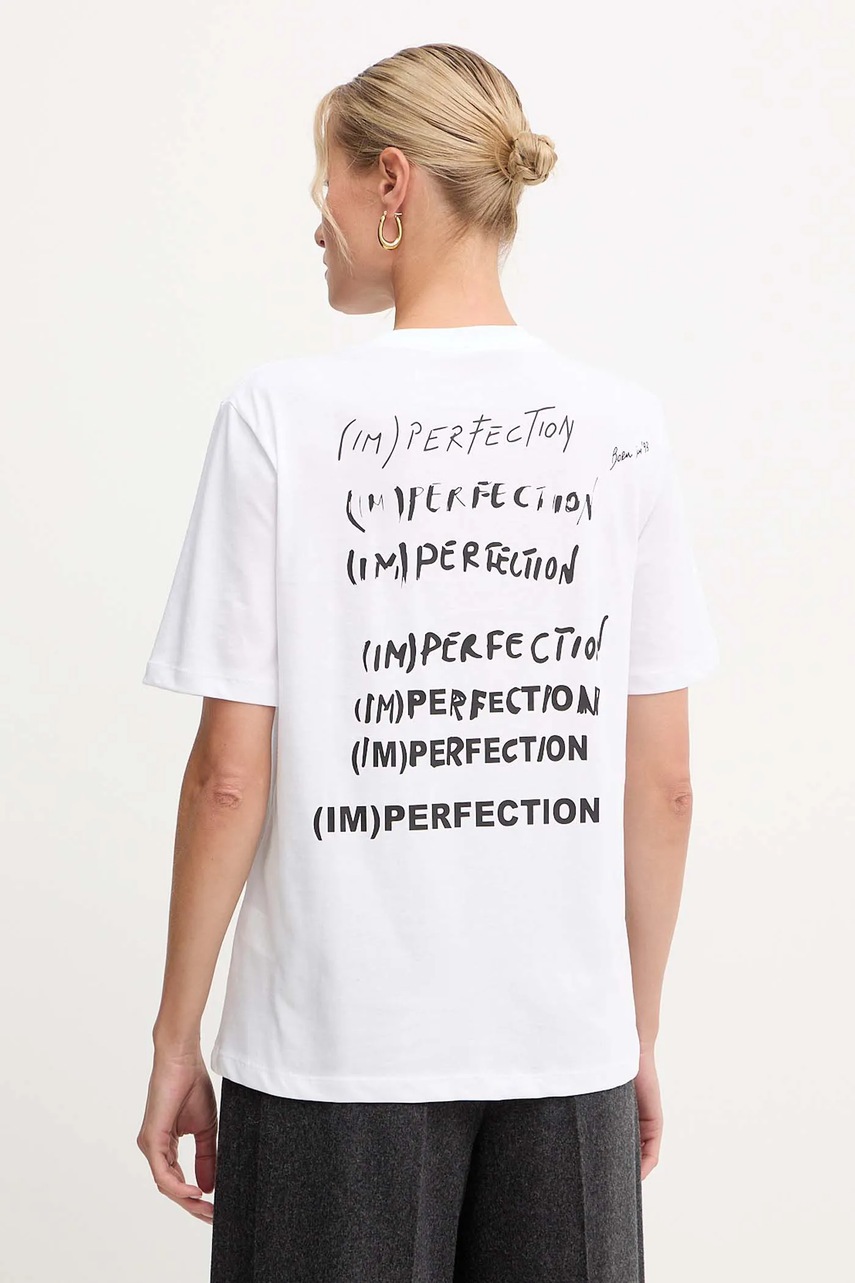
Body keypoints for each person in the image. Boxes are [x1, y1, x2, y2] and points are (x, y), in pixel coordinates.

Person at [135, 42, 719, 1283]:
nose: (319, 220)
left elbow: (229, 776)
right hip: (565, 1054)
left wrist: (176, 1033)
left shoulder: (278, 418)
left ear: (391, 183)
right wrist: (633, 1027)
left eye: (327, 186)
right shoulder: (624, 429)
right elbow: (664, 783)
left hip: (332, 1054)